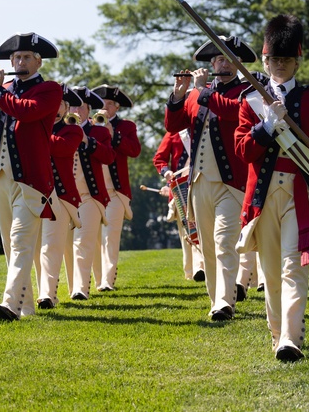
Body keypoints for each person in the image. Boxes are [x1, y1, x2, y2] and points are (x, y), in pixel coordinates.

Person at [234, 14, 309, 362]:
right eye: (273, 60)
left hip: (300, 191)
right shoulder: (250, 101)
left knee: (295, 265)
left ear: (297, 60)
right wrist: (267, 125)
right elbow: (243, 151)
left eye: (286, 60)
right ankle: (278, 333)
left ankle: (290, 338)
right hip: (263, 195)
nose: (279, 65)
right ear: (264, 60)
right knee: (271, 270)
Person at [0, 33, 62, 321]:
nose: (20, 61)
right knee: (10, 244)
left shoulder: (49, 90)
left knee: (20, 242)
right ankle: (25, 306)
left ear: (38, 61)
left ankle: (9, 305)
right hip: (1, 179)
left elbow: (27, 113)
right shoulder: (1, 91)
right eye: (16, 57)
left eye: (27, 57)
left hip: (31, 181)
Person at [165, 35, 256, 321]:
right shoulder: (197, 94)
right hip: (199, 182)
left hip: (232, 183)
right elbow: (173, 125)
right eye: (217, 59)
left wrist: (201, 90)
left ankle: (224, 302)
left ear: (238, 64)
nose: (221, 63)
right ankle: (217, 297)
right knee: (206, 245)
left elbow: (232, 112)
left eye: (228, 59)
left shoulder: (248, 92)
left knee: (223, 241)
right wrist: (179, 95)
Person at [36, 84, 85, 309]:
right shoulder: (35, 127)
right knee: (35, 248)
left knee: (51, 246)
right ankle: (41, 293)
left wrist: (38, 131)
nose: (55, 109)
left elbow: (63, 149)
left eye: (60, 105)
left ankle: (46, 295)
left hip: (61, 196)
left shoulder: (72, 130)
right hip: (33, 194)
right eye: (51, 104)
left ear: (67, 108)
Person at [91, 84, 141, 293]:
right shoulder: (88, 125)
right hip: (93, 189)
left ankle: (107, 281)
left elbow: (135, 150)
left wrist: (113, 135)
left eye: (109, 104)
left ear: (117, 107)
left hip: (115, 191)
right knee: (91, 237)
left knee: (110, 236)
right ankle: (93, 279)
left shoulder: (126, 126)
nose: (104, 107)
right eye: (101, 103)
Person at [69, 86, 114, 301]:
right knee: (65, 247)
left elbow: (109, 157)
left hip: (90, 197)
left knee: (82, 243)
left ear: (88, 110)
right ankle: (67, 288)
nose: (76, 110)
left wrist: (88, 142)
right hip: (64, 197)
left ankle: (80, 289)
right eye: (73, 106)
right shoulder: (58, 129)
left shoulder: (100, 131)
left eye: (81, 107)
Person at [152, 129, 205, 281]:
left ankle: (200, 267)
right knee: (186, 232)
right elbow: (159, 159)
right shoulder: (174, 133)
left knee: (202, 227)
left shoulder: (205, 129)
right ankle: (191, 272)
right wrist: (166, 171)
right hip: (180, 188)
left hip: (202, 184)